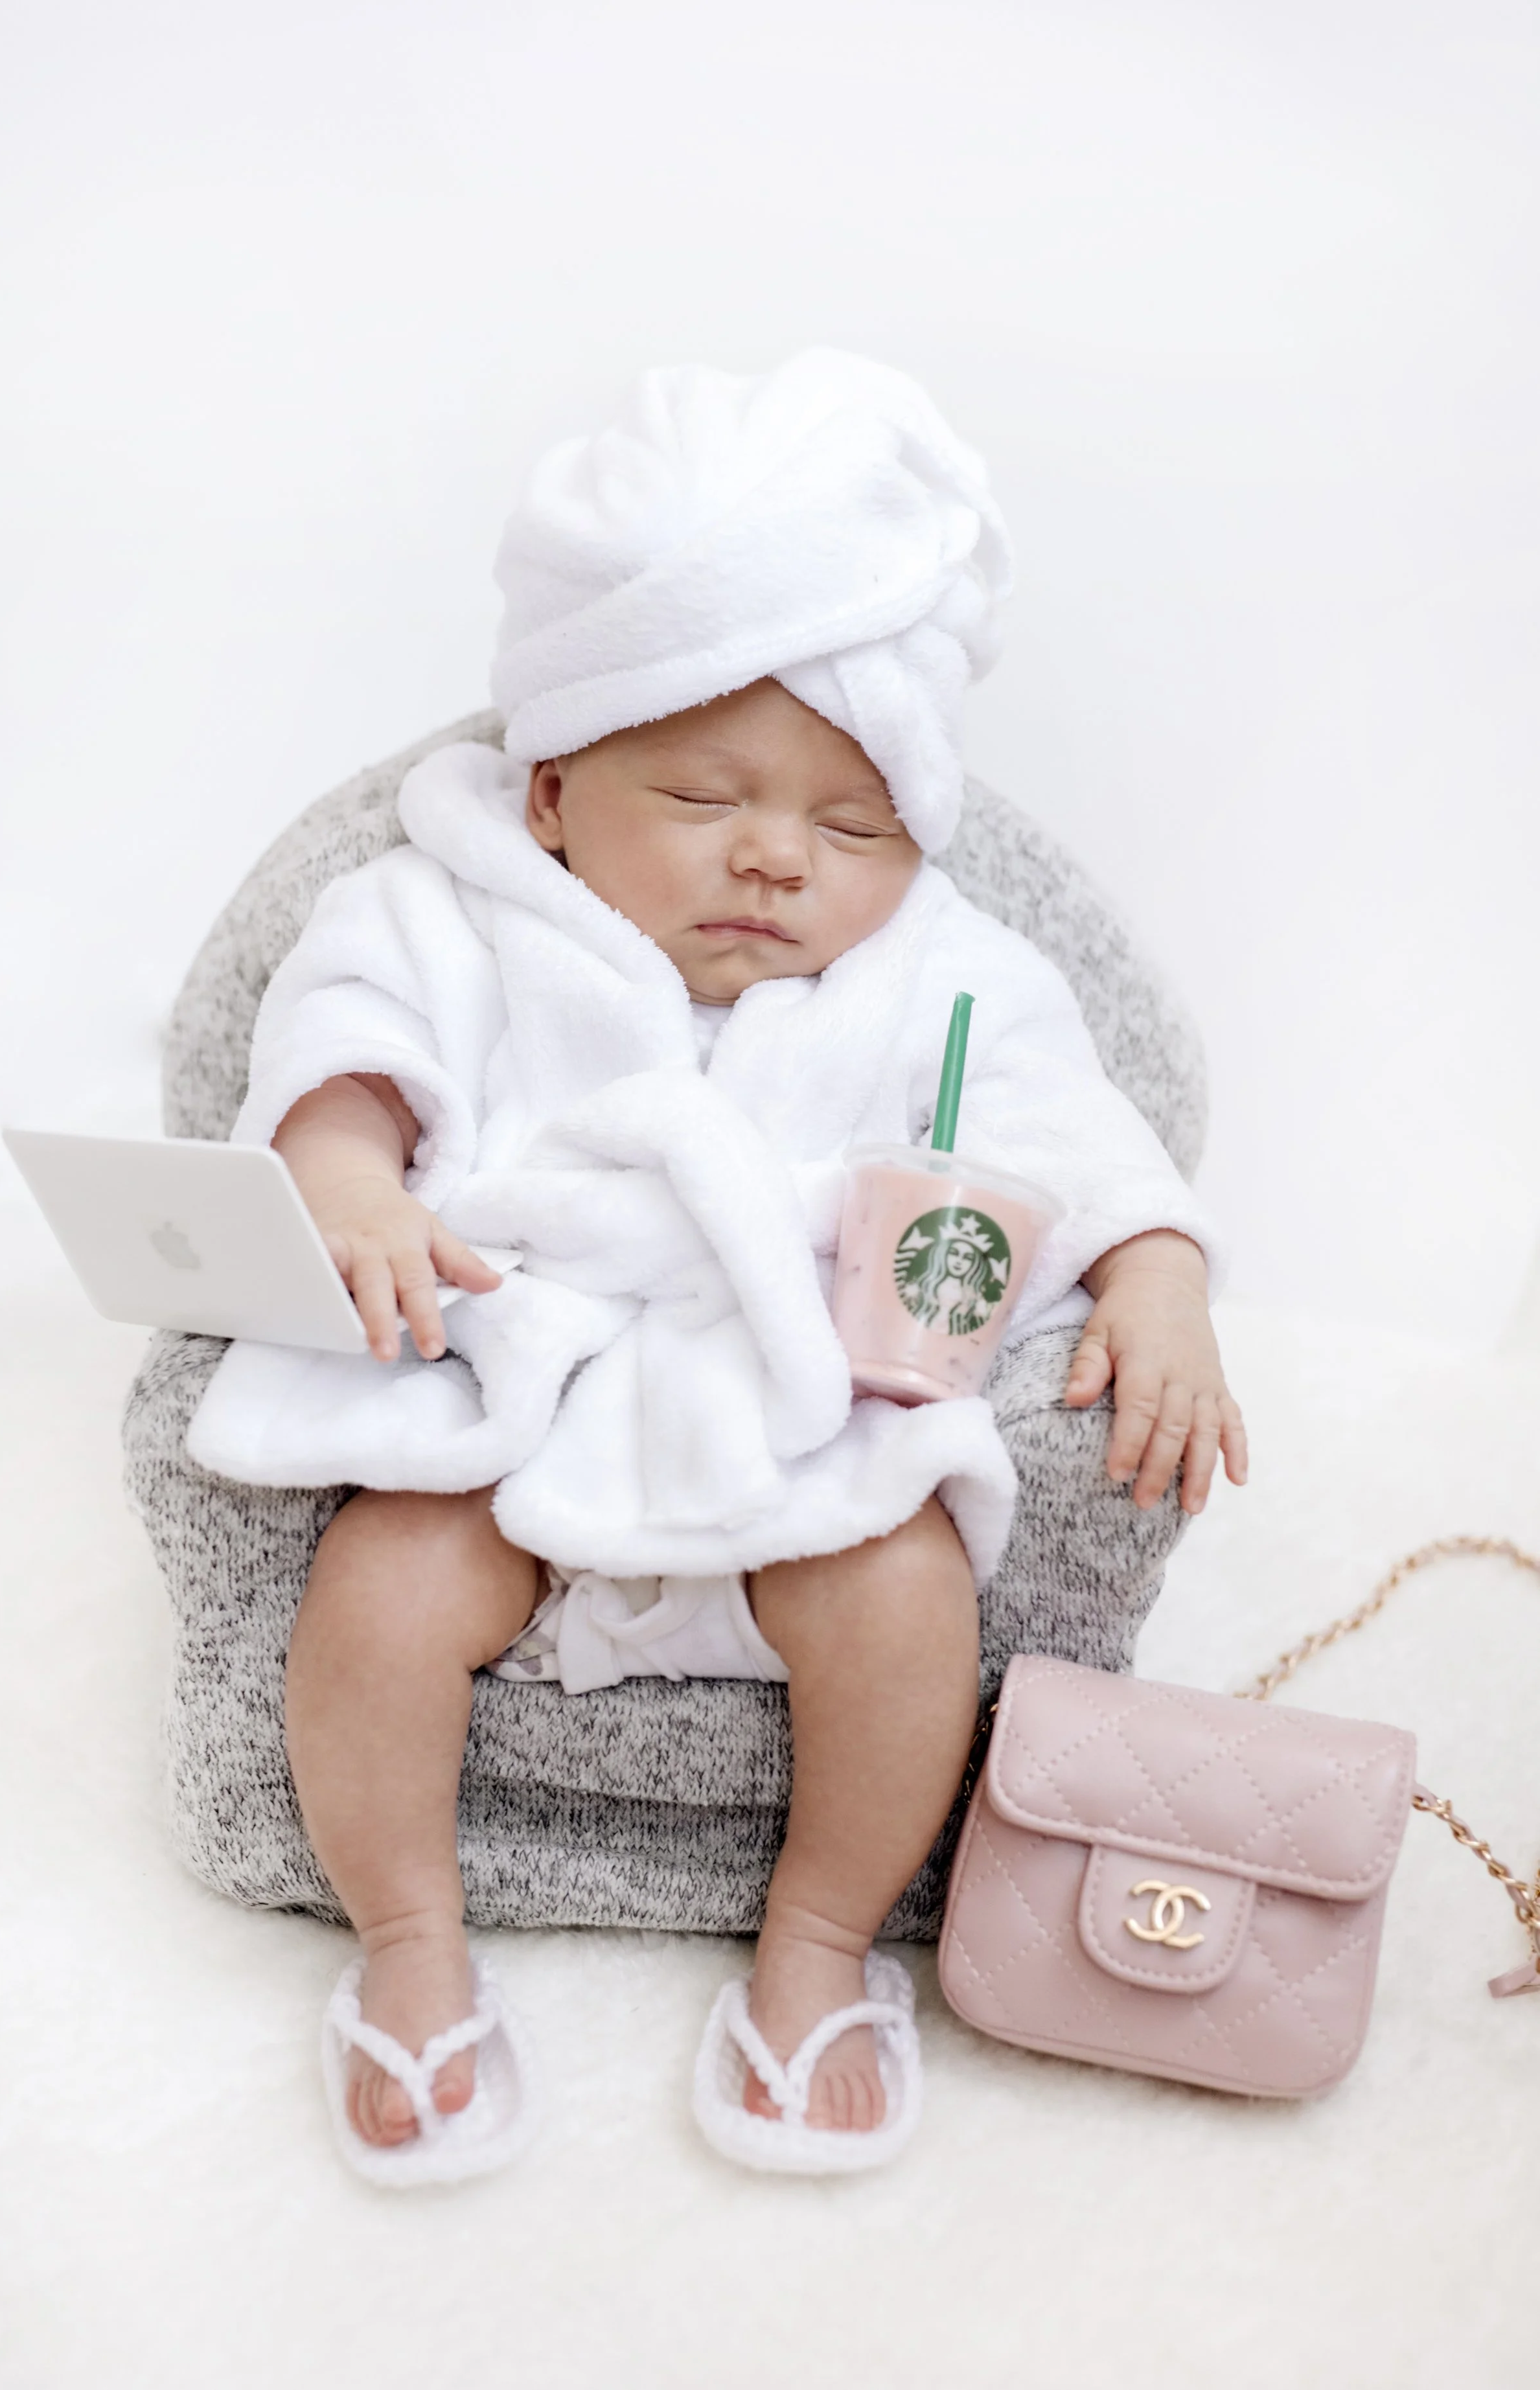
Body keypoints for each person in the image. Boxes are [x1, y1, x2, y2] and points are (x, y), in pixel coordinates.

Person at [186, 350, 1247, 2177]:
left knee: (904, 1592)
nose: (774, 859)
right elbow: (342, 1049)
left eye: (848, 824)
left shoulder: (941, 969)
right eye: (700, 800)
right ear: (551, 792)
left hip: (798, 1410)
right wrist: (347, 1172)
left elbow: (1073, 1129)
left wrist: (1154, 1276)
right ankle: (408, 1946)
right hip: (504, 1390)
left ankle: (822, 1949)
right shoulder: (447, 903)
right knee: (375, 1585)